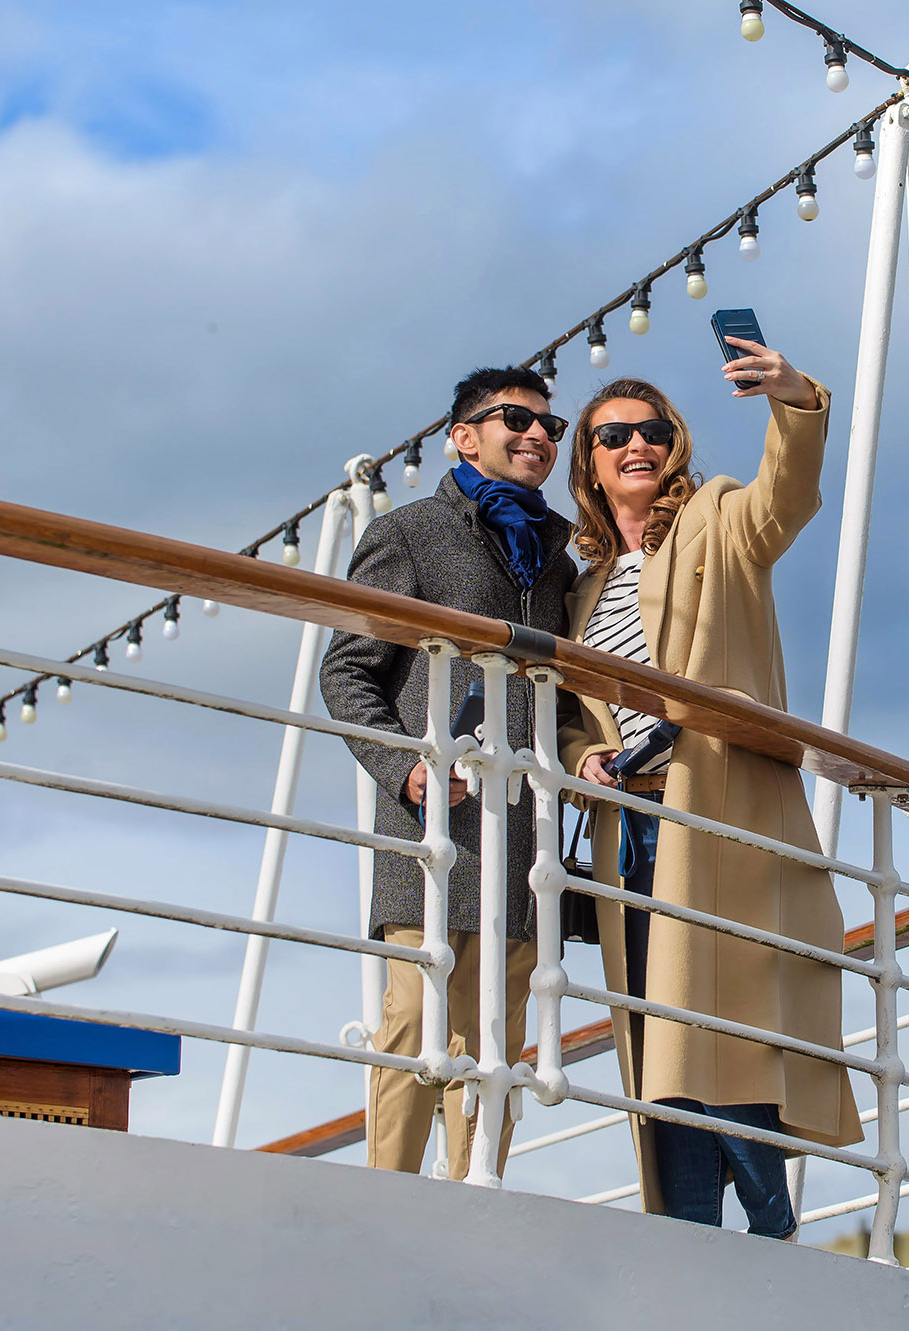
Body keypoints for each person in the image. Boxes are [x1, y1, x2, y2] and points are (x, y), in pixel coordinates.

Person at [557, 336, 862, 1236]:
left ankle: (769, 1232)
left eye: (652, 430)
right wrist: (581, 756)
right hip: (632, 826)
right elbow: (576, 713)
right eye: (613, 437)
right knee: (661, 1041)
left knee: (719, 1026)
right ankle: (689, 1239)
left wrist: (794, 396)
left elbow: (787, 499)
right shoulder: (583, 589)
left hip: (716, 806)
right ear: (591, 464)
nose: (635, 446)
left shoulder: (718, 518)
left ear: (676, 441)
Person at [320, 365, 578, 1180]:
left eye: (550, 425)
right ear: (463, 436)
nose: (538, 433)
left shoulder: (555, 557)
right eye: (516, 418)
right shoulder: (410, 532)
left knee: (499, 1033)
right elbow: (349, 670)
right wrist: (408, 770)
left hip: (522, 839)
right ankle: (381, 1203)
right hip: (431, 825)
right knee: (412, 1020)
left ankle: (480, 1202)